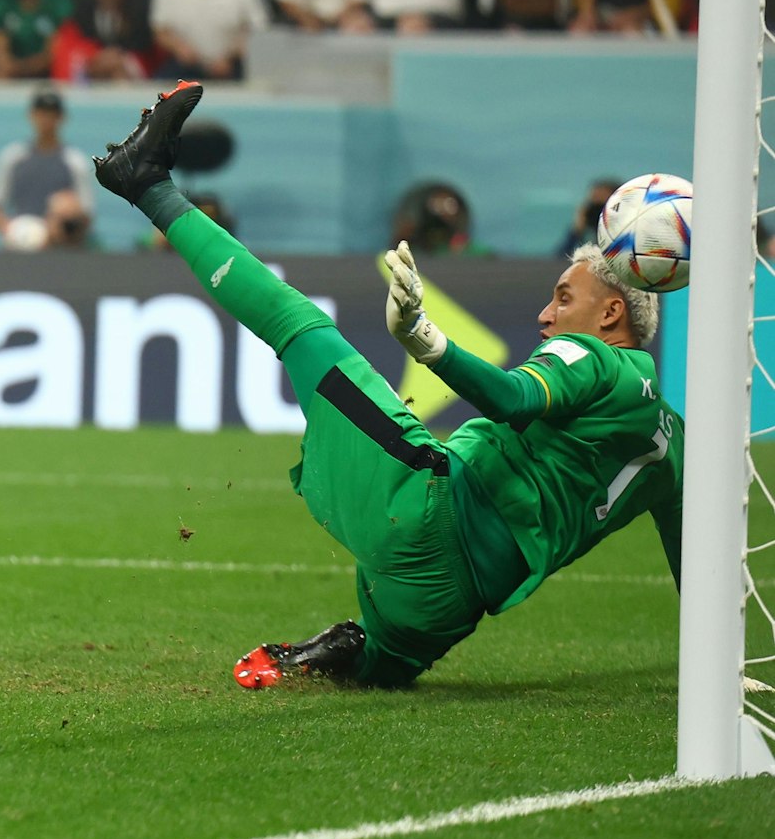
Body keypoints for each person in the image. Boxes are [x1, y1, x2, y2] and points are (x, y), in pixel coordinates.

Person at [92, 83, 682, 688]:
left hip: (432, 519)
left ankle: (145, 183)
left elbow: (514, 399)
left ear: (611, 315)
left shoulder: (599, 359)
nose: (545, 316)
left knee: (298, 326)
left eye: (562, 298)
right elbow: (691, 543)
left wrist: (429, 341)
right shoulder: (671, 439)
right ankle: (354, 652)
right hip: (449, 611)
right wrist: (716, 659)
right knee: (380, 666)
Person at [0, 87, 95, 246]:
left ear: (61, 118)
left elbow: (86, 214)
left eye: (52, 114)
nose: (46, 119)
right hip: (19, 244)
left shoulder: (74, 161)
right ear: (31, 115)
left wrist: (63, 226)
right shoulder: (13, 157)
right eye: (41, 113)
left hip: (61, 249)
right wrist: (11, 231)